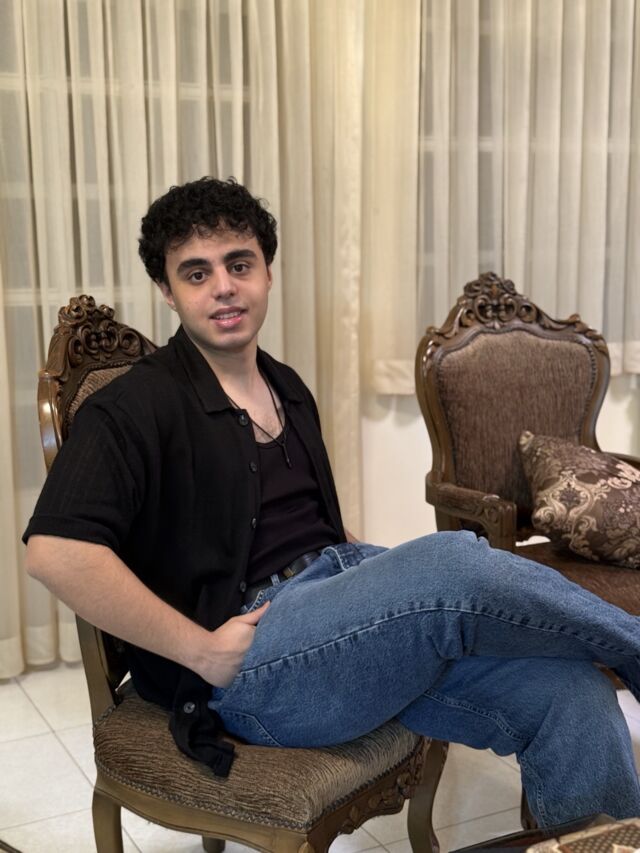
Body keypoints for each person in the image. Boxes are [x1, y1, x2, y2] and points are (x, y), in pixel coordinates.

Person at [24, 177, 640, 828]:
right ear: (167, 290)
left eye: (239, 264)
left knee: (572, 695)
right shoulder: (131, 408)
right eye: (196, 273)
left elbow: (316, 528)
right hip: (254, 666)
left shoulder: (286, 386)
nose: (223, 287)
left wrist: (382, 590)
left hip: (336, 627)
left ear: (267, 272)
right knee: (452, 560)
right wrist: (201, 650)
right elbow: (55, 554)